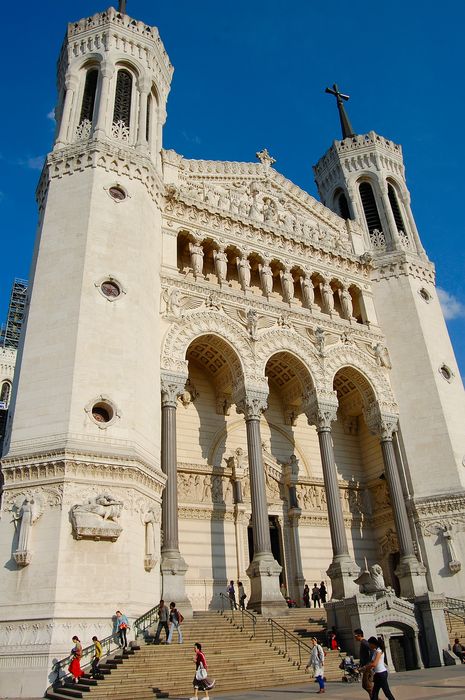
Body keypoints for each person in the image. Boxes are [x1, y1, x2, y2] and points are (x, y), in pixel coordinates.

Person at [354, 628, 373, 697]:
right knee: (366, 685)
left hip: (367, 667)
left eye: (355, 636)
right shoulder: (363, 643)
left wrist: (369, 662)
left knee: (367, 685)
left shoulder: (364, 642)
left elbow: (372, 650)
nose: (354, 637)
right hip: (365, 666)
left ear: (359, 635)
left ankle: (375, 697)